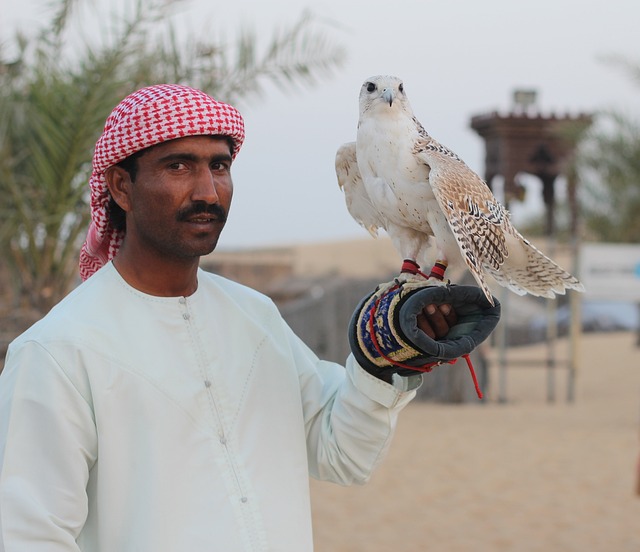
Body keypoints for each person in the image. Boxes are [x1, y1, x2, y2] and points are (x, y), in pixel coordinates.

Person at [0, 84, 489, 551]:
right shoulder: (57, 352)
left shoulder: (254, 316)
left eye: (219, 166)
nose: (208, 191)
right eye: (178, 166)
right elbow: (30, 537)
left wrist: (386, 360)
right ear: (121, 187)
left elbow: (343, 455)